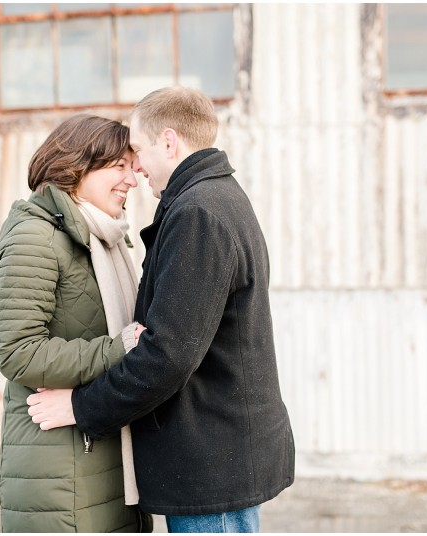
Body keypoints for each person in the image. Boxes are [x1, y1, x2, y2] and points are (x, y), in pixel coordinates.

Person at [26, 87, 296, 533]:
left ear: (169, 143)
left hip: (211, 462)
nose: (134, 166)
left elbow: (168, 355)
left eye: (137, 149)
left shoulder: (198, 214)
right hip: (219, 453)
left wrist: (81, 405)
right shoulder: (217, 197)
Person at [0, 114, 152, 532]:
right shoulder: (36, 236)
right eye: (119, 166)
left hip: (101, 447)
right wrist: (118, 349)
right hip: (62, 464)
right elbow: (17, 352)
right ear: (76, 166)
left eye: (132, 167)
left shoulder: (105, 236)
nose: (131, 180)